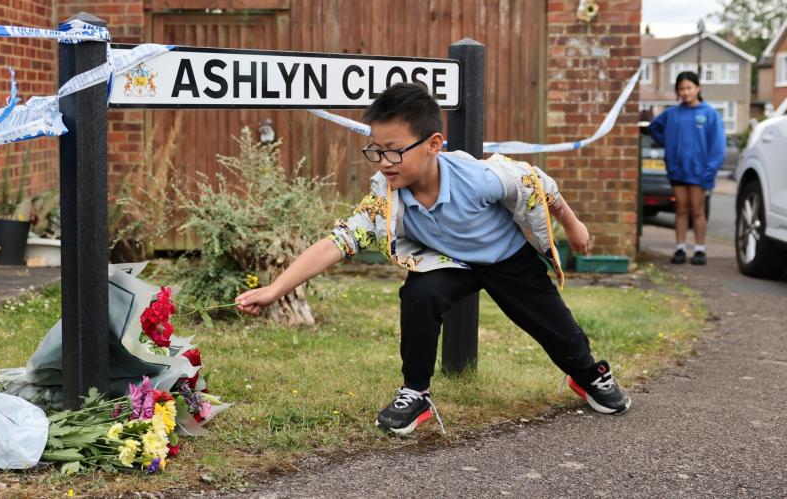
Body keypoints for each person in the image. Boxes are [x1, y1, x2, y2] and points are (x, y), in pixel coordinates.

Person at [235, 83, 631, 435]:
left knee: (556, 327)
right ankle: (415, 392)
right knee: (420, 295)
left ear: (433, 144)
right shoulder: (384, 201)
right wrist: (274, 289)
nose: (384, 162)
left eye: (395, 151)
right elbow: (334, 243)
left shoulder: (477, 178)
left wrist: (573, 224)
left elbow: (536, 184)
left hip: (506, 257)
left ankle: (586, 375)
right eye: (376, 151)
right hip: (449, 262)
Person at [647, 71, 725, 266]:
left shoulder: (710, 114)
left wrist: (710, 170)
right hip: (677, 170)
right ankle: (680, 247)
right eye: (681, 88)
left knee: (697, 210)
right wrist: (670, 144)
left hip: (700, 172)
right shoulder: (672, 114)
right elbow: (653, 128)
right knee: (681, 209)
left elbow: (718, 147)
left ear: (698, 88)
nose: (685, 92)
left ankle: (700, 249)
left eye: (689, 87)